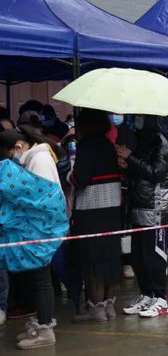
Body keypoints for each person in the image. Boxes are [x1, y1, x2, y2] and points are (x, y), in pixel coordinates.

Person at [0, 128, 62, 349]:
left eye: (9, 156)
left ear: (17, 146)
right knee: (38, 280)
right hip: (37, 228)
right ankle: (41, 323)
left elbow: (42, 199)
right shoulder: (33, 158)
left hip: (42, 230)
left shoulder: (40, 160)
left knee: (42, 281)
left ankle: (46, 332)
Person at [66, 109, 122, 323]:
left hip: (91, 212)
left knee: (93, 261)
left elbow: (80, 179)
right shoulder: (108, 145)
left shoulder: (86, 147)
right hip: (111, 209)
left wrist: (70, 173)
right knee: (110, 259)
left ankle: (96, 309)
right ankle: (109, 306)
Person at [116, 115, 168, 318]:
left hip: (155, 207)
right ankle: (146, 294)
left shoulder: (162, 144)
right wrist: (127, 165)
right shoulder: (141, 143)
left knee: (154, 256)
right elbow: (140, 170)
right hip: (138, 204)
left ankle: (160, 298)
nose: (137, 123)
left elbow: (156, 173)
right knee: (139, 256)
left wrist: (130, 157)